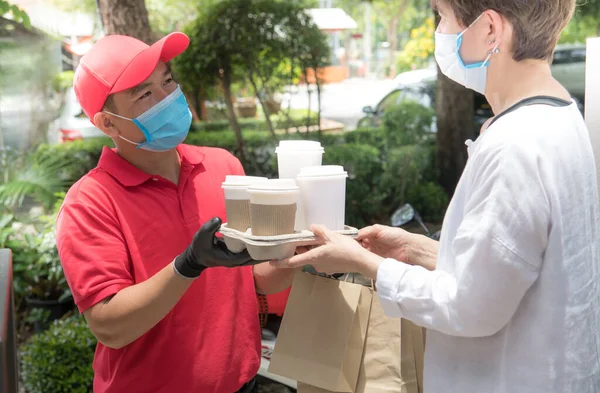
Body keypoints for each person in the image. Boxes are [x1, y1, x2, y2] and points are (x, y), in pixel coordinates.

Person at [274, 0, 600, 392]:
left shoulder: (514, 146)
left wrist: (362, 262)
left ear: (490, 31)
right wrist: (420, 251)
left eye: (443, 16)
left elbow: (470, 307)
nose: (440, 31)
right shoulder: (561, 115)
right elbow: (514, 264)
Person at [56, 32, 296, 393]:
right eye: (145, 94)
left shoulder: (223, 165)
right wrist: (187, 266)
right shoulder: (89, 202)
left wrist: (299, 255)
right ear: (108, 123)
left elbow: (254, 279)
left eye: (167, 81)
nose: (168, 98)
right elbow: (109, 326)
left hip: (242, 383)